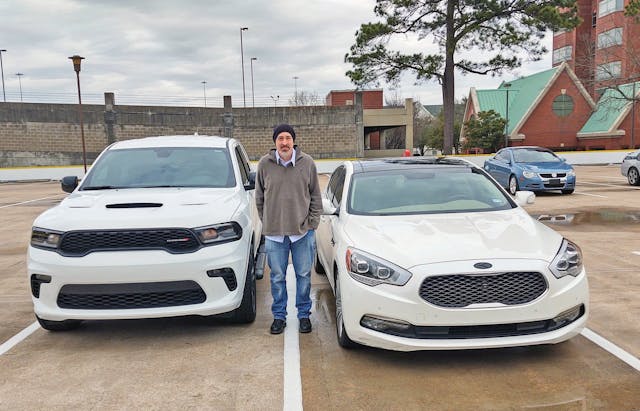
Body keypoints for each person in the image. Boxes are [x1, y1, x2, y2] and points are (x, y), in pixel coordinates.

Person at [255, 124, 322, 335]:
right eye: (280, 139)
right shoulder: (265, 165)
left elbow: (316, 197)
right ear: (275, 142)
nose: (284, 142)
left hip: (302, 233)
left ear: (293, 140)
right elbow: (259, 198)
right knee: (277, 277)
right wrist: (267, 220)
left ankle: (303, 315)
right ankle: (279, 317)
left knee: (303, 276)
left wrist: (312, 223)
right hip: (275, 235)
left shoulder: (307, 163)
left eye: (287, 138)